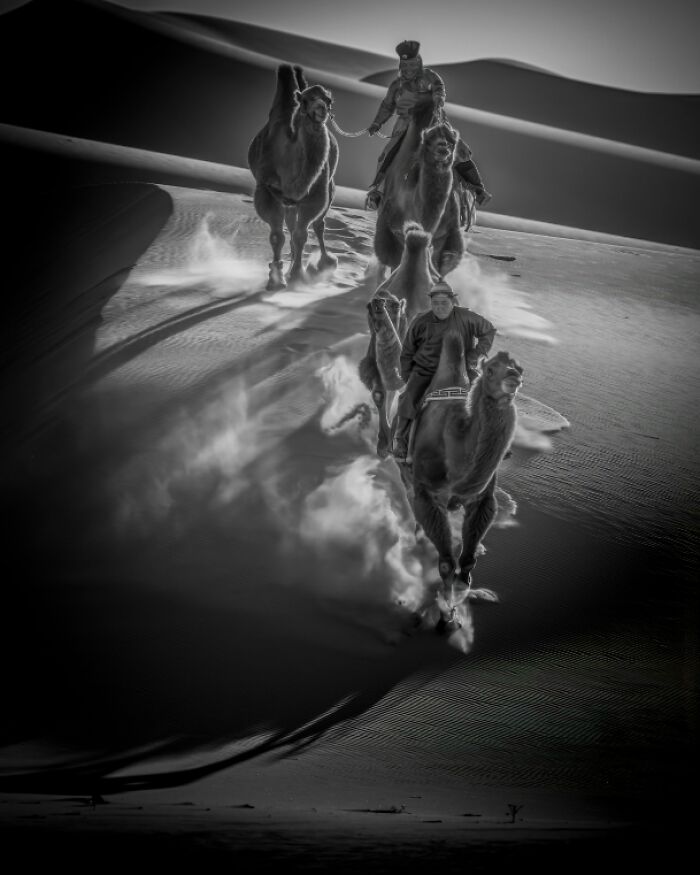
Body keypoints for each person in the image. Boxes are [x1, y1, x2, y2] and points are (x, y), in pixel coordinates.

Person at [365, 40, 492, 214]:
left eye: (412, 64)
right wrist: (377, 123)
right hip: (406, 126)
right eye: (405, 65)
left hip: (434, 121)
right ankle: (377, 193)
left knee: (460, 151)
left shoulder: (429, 76)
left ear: (418, 62)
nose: (408, 69)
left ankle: (479, 191)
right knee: (388, 153)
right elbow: (387, 105)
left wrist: (439, 97)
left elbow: (439, 87)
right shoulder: (397, 85)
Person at [392, 279, 496, 460]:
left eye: (444, 303)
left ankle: (490, 439)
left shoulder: (467, 317)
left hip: (460, 367)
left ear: (453, 301)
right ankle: (401, 439)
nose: (440, 307)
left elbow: (489, 330)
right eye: (435, 303)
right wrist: (408, 375)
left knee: (485, 396)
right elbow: (408, 351)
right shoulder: (420, 321)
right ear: (431, 302)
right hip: (426, 370)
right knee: (409, 398)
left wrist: (475, 354)